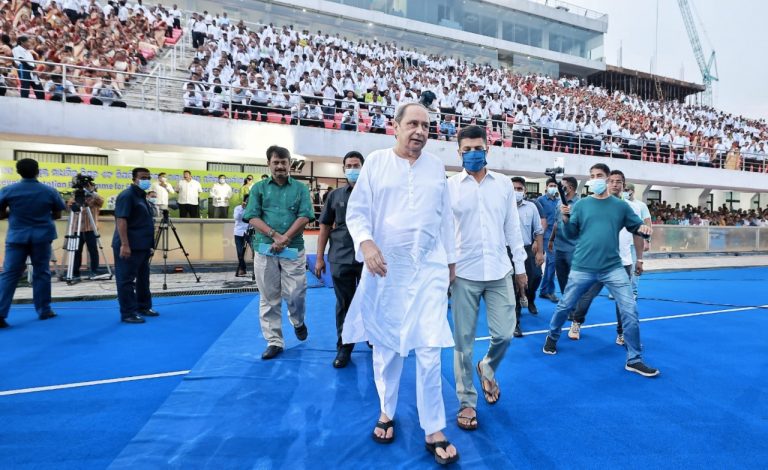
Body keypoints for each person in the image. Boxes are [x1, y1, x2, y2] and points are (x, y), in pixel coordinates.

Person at [343, 103, 459, 465]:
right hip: (386, 271)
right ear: (395, 126)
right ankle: (386, 410)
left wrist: (450, 264)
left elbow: (445, 220)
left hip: (429, 271)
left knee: (428, 347)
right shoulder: (376, 163)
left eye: (426, 126)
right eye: (413, 124)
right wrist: (366, 242)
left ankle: (434, 428)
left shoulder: (436, 167)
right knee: (387, 348)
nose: (420, 131)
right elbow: (357, 211)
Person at [542, 163, 660, 378]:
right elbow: (570, 233)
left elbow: (636, 227)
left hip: (612, 267)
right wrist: (566, 217)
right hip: (582, 267)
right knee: (565, 305)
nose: (594, 179)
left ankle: (634, 358)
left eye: (599, 176)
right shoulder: (581, 205)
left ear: (607, 179)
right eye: (592, 175)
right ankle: (552, 336)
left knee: (630, 310)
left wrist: (643, 230)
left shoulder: (621, 206)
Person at [447, 125, 527, 431]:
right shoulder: (450, 186)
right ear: (459, 153)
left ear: (487, 149)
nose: (472, 154)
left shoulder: (504, 184)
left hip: (498, 269)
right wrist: (446, 266)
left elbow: (512, 228)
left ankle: (488, 366)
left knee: (505, 334)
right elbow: (442, 230)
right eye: (466, 150)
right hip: (463, 273)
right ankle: (467, 401)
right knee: (463, 342)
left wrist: (519, 267)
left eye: (477, 148)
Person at [243, 145, 314, 360]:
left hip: (293, 249)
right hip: (266, 249)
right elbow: (252, 216)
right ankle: (274, 341)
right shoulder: (259, 188)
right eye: (276, 162)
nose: (280, 166)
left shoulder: (301, 189)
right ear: (269, 164)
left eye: (284, 162)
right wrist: (275, 235)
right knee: (269, 297)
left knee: (295, 294)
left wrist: (285, 239)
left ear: (290, 164)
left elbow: (305, 216)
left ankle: (298, 321)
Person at [566, 170, 645, 344]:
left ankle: (621, 332)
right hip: (597, 261)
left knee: (623, 301)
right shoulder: (596, 204)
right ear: (607, 183)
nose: (615, 184)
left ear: (624, 185)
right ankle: (577, 322)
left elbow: (638, 234)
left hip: (623, 262)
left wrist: (639, 258)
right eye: (612, 181)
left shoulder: (633, 208)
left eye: (619, 182)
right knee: (587, 295)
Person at [0, 159, 66, 328]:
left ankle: (0, 313)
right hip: (42, 237)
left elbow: (0, 214)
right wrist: (42, 217)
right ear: (38, 171)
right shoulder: (49, 191)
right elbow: (58, 214)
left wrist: (13, 213)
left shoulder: (8, 190)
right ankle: (44, 311)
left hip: (17, 237)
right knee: (42, 273)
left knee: (9, 275)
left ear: (18, 172)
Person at [314, 151, 365, 369]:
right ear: (344, 169)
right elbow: (324, 226)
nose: (353, 169)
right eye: (349, 166)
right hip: (341, 257)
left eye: (357, 165)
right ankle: (344, 346)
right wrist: (319, 258)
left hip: (369, 259)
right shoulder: (334, 196)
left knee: (372, 301)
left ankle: (373, 338)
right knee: (345, 303)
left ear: (364, 167)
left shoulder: (375, 193)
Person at [112, 167, 159, 324]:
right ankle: (128, 313)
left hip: (143, 246)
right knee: (126, 280)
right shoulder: (127, 196)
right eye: (143, 177)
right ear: (134, 179)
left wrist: (150, 245)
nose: (146, 180)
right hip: (129, 246)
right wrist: (125, 244)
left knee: (143, 279)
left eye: (148, 177)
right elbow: (121, 220)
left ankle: (143, 306)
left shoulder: (142, 196)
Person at [511, 177, 544, 336]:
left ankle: (530, 298)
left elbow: (538, 230)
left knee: (536, 277)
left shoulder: (531, 207)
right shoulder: (503, 206)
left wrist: (539, 252)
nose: (516, 191)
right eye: (513, 188)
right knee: (512, 287)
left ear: (524, 190)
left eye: (519, 188)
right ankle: (515, 323)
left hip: (527, 249)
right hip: (507, 250)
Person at [66, 179, 104, 281]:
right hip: (76, 229)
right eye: (85, 187)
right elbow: (69, 207)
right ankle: (75, 273)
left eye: (89, 186)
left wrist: (91, 192)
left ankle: (94, 271)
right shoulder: (75, 198)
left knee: (93, 251)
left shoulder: (95, 198)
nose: (86, 188)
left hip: (90, 229)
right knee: (76, 251)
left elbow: (101, 201)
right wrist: (78, 198)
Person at [548, 176, 580, 297]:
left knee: (574, 280)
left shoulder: (580, 204)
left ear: (570, 188)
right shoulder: (559, 203)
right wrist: (551, 239)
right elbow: (556, 222)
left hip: (574, 248)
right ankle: (567, 302)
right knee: (561, 278)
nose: (558, 188)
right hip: (559, 247)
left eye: (561, 186)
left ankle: (574, 308)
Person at [537, 179, 559, 302]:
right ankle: (549, 291)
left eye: (555, 186)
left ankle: (544, 290)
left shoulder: (558, 201)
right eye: (551, 185)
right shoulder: (540, 200)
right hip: (544, 235)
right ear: (546, 187)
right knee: (552, 262)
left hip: (556, 236)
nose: (553, 187)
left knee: (551, 264)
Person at [233, 194, 250, 277]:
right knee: (240, 253)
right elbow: (236, 217)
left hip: (250, 232)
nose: (248, 202)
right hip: (239, 232)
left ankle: (256, 270)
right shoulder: (238, 208)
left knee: (255, 251)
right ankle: (242, 268)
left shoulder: (253, 208)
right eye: (247, 200)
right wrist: (242, 209)